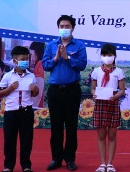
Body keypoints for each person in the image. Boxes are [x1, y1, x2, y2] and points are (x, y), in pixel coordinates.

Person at [42, 15, 88, 171]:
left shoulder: (79, 45)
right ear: (58, 28)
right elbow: (45, 66)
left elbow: (82, 65)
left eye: (67, 26)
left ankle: (70, 159)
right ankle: (56, 158)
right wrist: (56, 58)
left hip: (72, 90)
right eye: (61, 26)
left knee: (71, 126)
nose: (64, 29)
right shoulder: (51, 45)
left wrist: (67, 57)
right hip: (55, 91)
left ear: (73, 28)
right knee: (56, 126)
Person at [0, 46, 40, 172]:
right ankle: (8, 166)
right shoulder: (7, 76)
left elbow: (34, 94)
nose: (26, 61)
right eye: (23, 59)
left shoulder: (31, 76)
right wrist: (10, 88)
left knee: (26, 140)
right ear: (15, 61)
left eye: (27, 59)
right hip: (11, 112)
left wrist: (35, 90)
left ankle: (26, 166)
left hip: (26, 112)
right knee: (9, 140)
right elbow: (0, 93)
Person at [90, 44, 126, 172]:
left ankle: (110, 163)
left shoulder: (119, 72)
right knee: (101, 135)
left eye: (110, 55)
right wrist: (94, 94)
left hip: (113, 103)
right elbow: (92, 88)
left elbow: (122, 90)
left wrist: (115, 96)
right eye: (105, 55)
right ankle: (102, 163)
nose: (107, 57)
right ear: (101, 56)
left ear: (114, 56)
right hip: (100, 103)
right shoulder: (96, 71)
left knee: (112, 135)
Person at [29, 42, 46, 108]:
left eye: (31, 54)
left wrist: (31, 110)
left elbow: (37, 95)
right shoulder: (41, 64)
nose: (30, 58)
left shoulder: (40, 65)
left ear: (37, 53)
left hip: (37, 108)